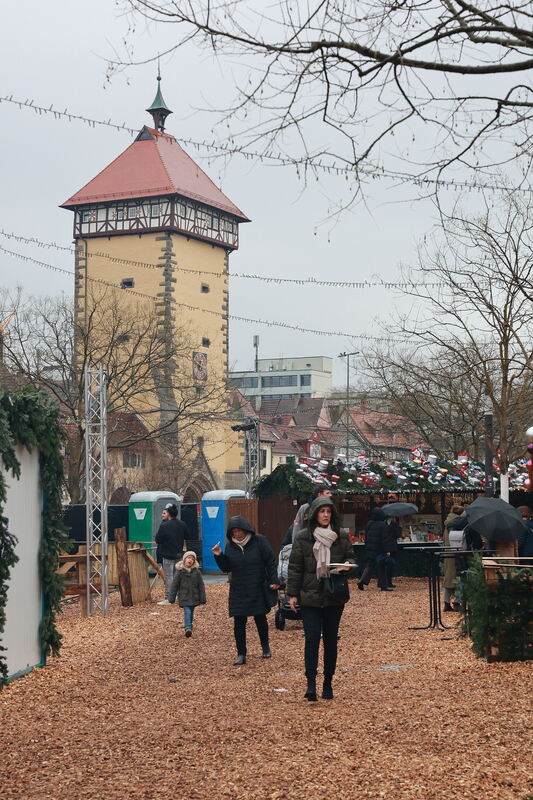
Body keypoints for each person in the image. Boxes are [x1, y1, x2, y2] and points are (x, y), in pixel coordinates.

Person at [287, 496, 355, 701]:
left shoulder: (340, 535)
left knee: (331, 641)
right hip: (310, 596)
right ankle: (310, 684)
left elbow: (352, 558)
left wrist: (345, 566)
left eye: (328, 511)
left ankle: (328, 682)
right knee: (312, 639)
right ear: (315, 514)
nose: (325, 515)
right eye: (321, 511)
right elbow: (295, 566)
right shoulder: (302, 537)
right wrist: (292, 593)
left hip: (333, 594)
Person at [211, 515, 279, 665]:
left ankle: (265, 647)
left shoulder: (259, 541)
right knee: (239, 621)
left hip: (257, 585)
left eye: (239, 530)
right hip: (239, 588)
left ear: (246, 529)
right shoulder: (231, 546)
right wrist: (218, 555)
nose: (237, 534)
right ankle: (241, 653)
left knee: (260, 618)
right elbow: (227, 568)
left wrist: (274, 580)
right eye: (234, 532)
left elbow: (270, 561)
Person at [155, 503, 190, 605]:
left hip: (167, 554)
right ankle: (179, 596)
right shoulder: (182, 524)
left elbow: (158, 539)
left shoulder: (164, 525)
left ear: (169, 514)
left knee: (169, 576)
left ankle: (169, 598)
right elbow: (188, 535)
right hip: (179, 554)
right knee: (178, 575)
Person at [168, 550, 206, 636]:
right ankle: (188, 628)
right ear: (184, 559)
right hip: (184, 597)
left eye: (192, 559)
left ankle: (189, 626)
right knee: (187, 612)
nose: (190, 560)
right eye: (189, 558)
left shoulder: (196, 572)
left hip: (194, 597)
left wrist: (202, 598)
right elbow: (174, 585)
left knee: (191, 613)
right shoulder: (180, 572)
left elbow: (201, 585)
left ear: (194, 561)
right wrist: (171, 598)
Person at [357, 508, 391, 591]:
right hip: (379, 549)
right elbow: (384, 539)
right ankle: (383, 585)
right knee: (382, 567)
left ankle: (362, 581)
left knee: (369, 566)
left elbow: (367, 535)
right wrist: (387, 550)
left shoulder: (369, 523)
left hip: (370, 548)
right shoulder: (382, 525)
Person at [442, 503, 464, 611]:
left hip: (448, 554)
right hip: (457, 554)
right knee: (459, 578)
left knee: (448, 579)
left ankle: (446, 603)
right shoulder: (459, 523)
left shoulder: (448, 521)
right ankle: (457, 602)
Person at [385, 516, 401, 588]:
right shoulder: (394, 524)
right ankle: (389, 582)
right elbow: (398, 534)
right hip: (392, 547)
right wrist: (399, 528)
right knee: (390, 566)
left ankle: (386, 582)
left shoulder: (384, 524)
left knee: (386, 566)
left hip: (385, 546)